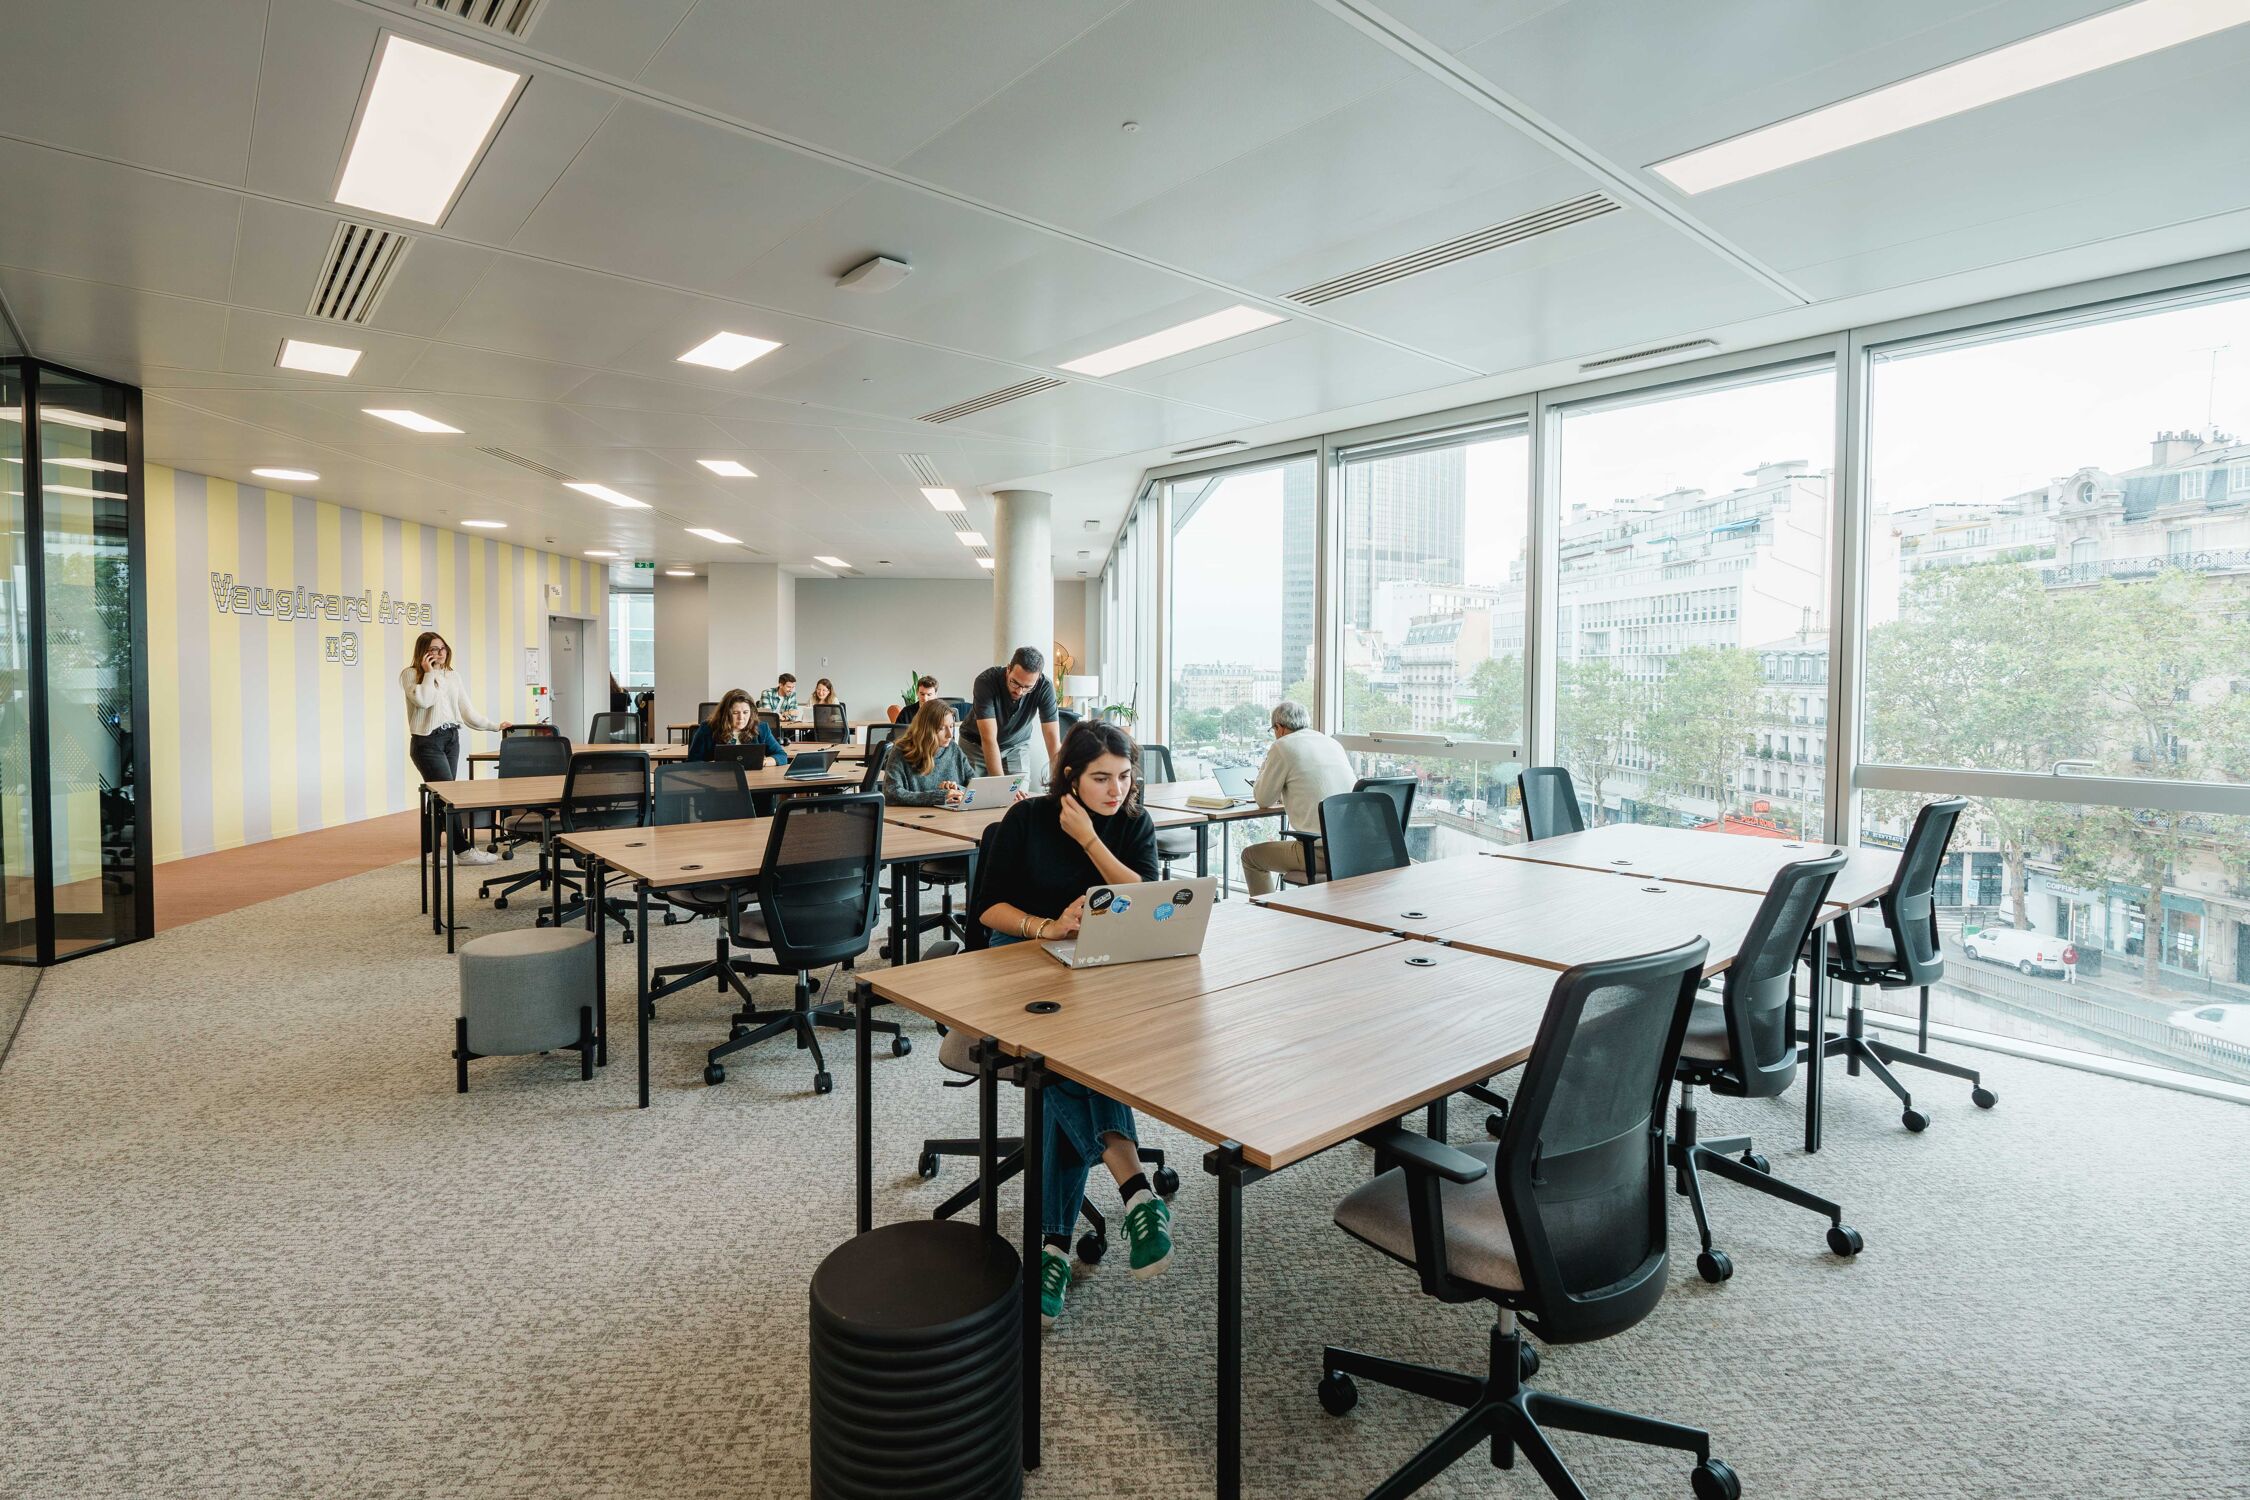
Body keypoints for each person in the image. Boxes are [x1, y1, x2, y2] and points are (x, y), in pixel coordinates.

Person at [974, 721, 1171, 1325]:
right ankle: (1133, 1184)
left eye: (1125, 777)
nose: (1116, 789)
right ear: (1070, 778)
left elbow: (1146, 896)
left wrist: (1090, 840)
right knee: (1069, 1057)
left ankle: (1053, 1249)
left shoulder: (1131, 822)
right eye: (1101, 778)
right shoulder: (1027, 819)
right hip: (1016, 962)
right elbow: (988, 908)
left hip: (1097, 969)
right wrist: (1048, 927)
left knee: (1063, 1064)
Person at [401, 630, 509, 865]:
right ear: (423, 653)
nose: (440, 652)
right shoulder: (410, 674)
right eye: (433, 649)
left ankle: (430, 852)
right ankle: (463, 850)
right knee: (448, 795)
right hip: (427, 742)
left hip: (451, 738)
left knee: (438, 797)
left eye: (442, 648)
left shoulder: (452, 676)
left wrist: (494, 726)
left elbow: (466, 710)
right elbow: (424, 701)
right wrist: (429, 673)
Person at [1240, 699, 1357, 895]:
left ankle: (1267, 909)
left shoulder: (1282, 746)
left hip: (1320, 853)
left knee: (1251, 857)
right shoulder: (1331, 743)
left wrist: (1265, 765)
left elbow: (1263, 799)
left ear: (1279, 727)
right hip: (1354, 849)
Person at [966, 646, 1060, 777]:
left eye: (1027, 687)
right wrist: (1000, 785)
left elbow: (1052, 739)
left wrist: (1059, 781)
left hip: (1016, 746)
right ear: (1008, 669)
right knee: (977, 789)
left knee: (1018, 790)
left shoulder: (1045, 687)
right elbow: (988, 738)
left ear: (1038, 679)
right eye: (1015, 683)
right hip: (976, 744)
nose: (1019, 691)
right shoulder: (986, 681)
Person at [881, 698, 974, 807]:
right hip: (915, 816)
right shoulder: (901, 750)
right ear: (926, 729)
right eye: (941, 728)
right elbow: (891, 794)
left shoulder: (953, 748)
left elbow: (974, 785)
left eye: (951, 726)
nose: (950, 735)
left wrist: (957, 789)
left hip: (952, 815)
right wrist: (939, 797)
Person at [687, 688, 790, 765]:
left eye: (745, 712)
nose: (741, 718)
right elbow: (692, 762)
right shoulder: (708, 729)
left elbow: (781, 756)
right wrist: (713, 765)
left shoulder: (761, 728)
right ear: (725, 714)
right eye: (735, 713)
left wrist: (765, 762)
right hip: (717, 780)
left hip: (754, 780)